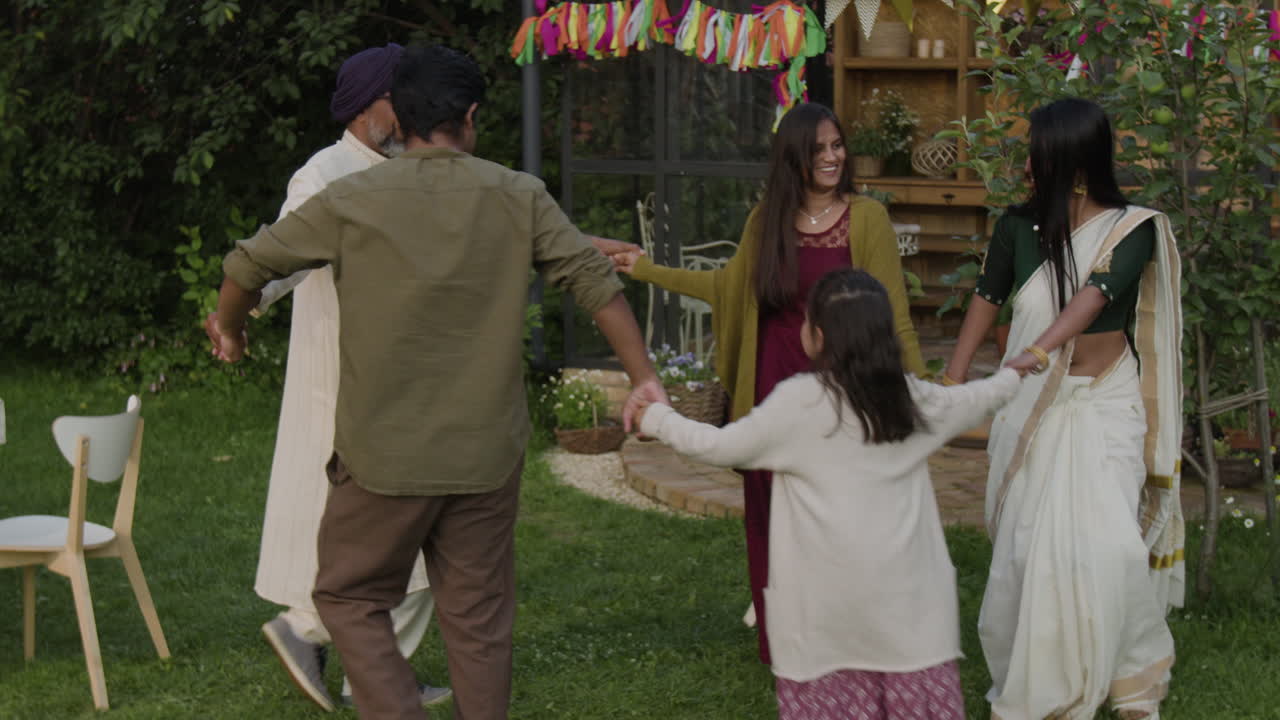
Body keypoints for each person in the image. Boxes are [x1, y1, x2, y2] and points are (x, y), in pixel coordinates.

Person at [207, 44, 665, 720]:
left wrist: (232, 328)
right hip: (484, 456)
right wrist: (645, 378)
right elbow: (597, 283)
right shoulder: (517, 194)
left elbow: (248, 264)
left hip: (382, 457)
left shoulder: (352, 199)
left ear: (402, 119)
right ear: (470, 116)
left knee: (348, 597)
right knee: (478, 622)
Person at [609, 102, 926, 664]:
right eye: (818, 149)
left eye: (837, 145)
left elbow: (893, 311)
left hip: (843, 397)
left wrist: (919, 392)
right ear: (793, 159)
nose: (832, 157)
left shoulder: (867, 218)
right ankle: (785, 640)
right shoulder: (766, 221)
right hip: (771, 388)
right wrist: (646, 268)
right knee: (771, 517)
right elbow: (727, 289)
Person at [636, 268, 1023, 719]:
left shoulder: (798, 403)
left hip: (822, 627)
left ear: (817, 335)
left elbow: (717, 447)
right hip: (912, 624)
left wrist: (655, 418)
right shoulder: (912, 400)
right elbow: (977, 398)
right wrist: (1016, 373)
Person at [220, 43, 447, 713]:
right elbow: (279, 254)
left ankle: (370, 674)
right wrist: (239, 312)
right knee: (390, 536)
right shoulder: (325, 173)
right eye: (400, 97)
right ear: (372, 105)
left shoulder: (418, 167)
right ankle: (307, 630)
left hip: (410, 379)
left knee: (418, 535)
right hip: (344, 381)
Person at [943, 98, 1183, 720]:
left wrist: (1037, 352)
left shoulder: (1133, 229)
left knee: (1111, 546)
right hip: (1035, 408)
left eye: (1038, 151)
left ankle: (1130, 680)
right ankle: (1039, 677)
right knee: (1026, 550)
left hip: (1104, 403)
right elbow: (985, 300)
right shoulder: (1016, 229)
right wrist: (953, 375)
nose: (1028, 161)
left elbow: (1095, 296)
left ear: (1073, 161)